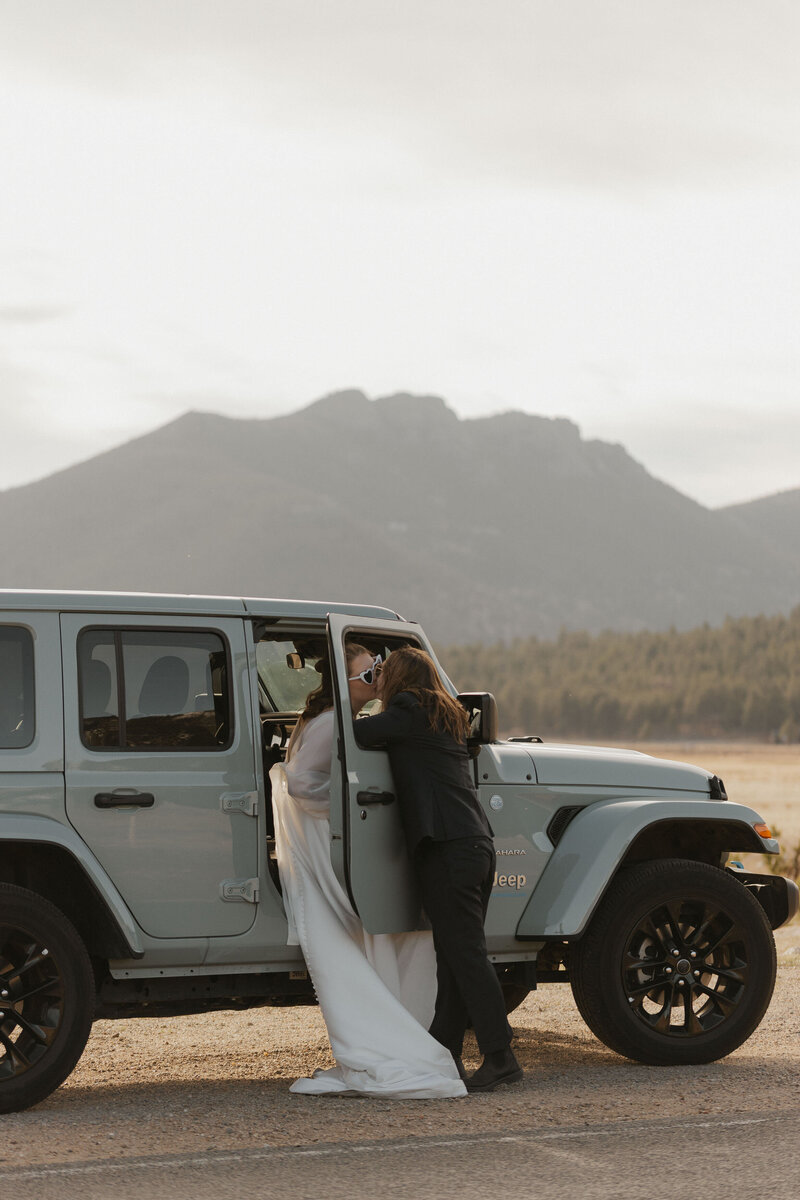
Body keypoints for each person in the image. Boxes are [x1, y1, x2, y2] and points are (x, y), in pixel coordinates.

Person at [269, 642, 465, 1099]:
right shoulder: (331, 722)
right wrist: (339, 810)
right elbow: (299, 782)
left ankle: (405, 1021)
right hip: (326, 837)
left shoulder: (352, 721)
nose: (377, 677)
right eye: (368, 672)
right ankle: (393, 1032)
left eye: (378, 670)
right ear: (347, 681)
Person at [354, 646, 523, 1093]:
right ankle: (444, 1050)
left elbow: (356, 734)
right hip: (473, 844)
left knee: (464, 955)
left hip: (449, 849)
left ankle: (501, 1055)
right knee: (452, 956)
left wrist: (360, 693)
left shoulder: (409, 711)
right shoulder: (445, 714)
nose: (380, 679)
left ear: (401, 681)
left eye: (384, 674)